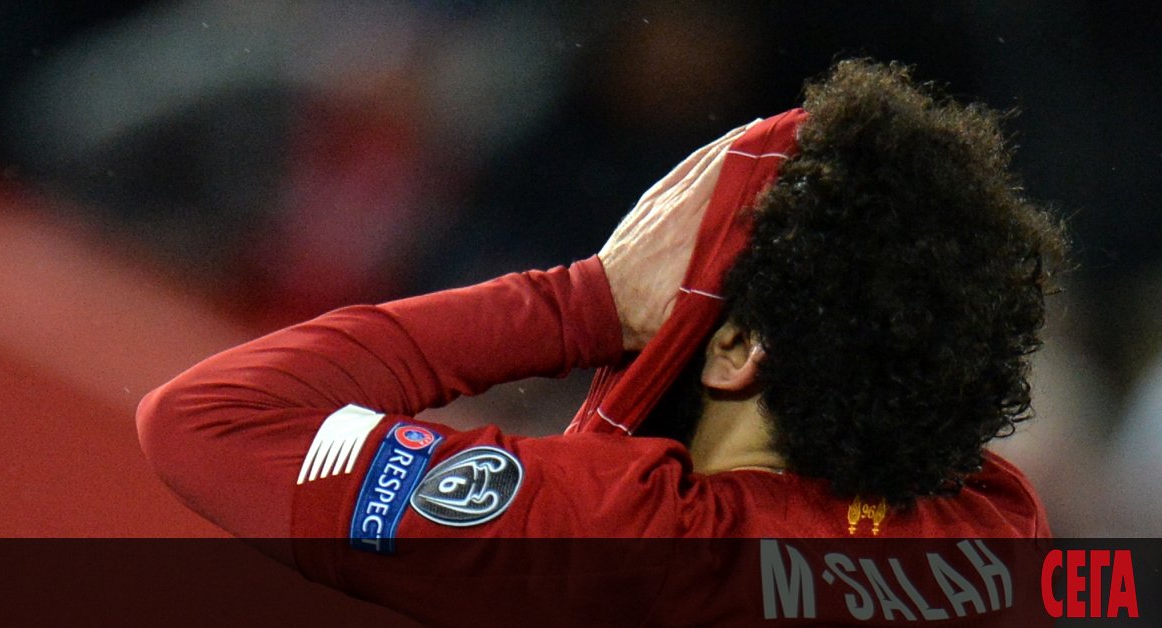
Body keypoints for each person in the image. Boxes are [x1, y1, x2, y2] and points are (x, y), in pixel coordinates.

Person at [137, 60, 1068, 625]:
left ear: (739, 350)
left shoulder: (625, 537)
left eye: (681, 237)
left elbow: (211, 420)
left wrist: (587, 299)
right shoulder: (992, 530)